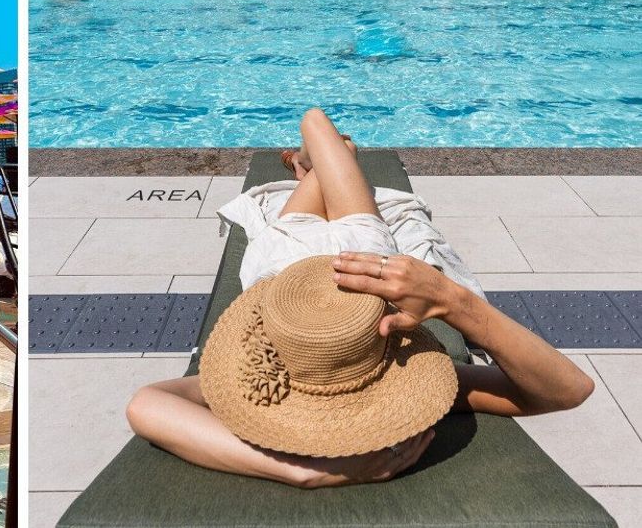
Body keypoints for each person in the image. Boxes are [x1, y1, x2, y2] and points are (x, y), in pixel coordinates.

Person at [125, 108, 594, 488]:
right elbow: (567, 389)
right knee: (324, 132)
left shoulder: (257, 384)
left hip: (289, 274)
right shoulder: (407, 379)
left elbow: (145, 404)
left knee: (319, 130)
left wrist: (299, 471)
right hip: (358, 265)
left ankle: (317, 162)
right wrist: (452, 302)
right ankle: (325, 158)